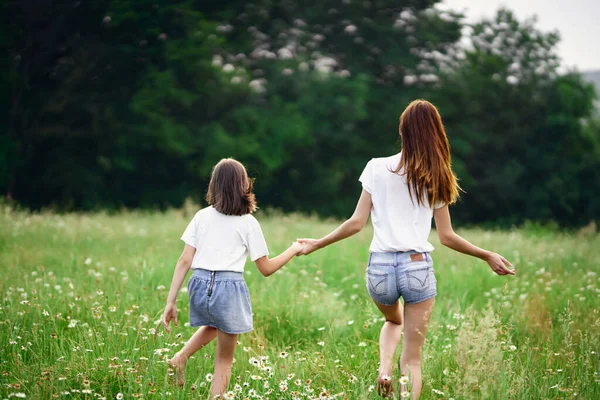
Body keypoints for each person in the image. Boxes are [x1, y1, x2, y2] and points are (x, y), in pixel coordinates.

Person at [298, 100, 515, 399]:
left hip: (380, 268)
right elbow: (447, 236)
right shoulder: (438, 174)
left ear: (402, 131)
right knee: (412, 359)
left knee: (392, 319)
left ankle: (384, 368)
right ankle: (397, 377)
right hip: (417, 268)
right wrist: (487, 254)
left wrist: (317, 243)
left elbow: (356, 222)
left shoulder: (376, 167)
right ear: (437, 133)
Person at [162, 158, 303, 397]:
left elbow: (184, 260)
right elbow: (266, 268)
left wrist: (171, 301)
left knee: (214, 325)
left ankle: (180, 358)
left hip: (199, 283)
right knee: (224, 360)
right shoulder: (248, 223)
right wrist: (293, 250)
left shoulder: (201, 216)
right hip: (228, 288)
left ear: (214, 186)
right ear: (244, 185)